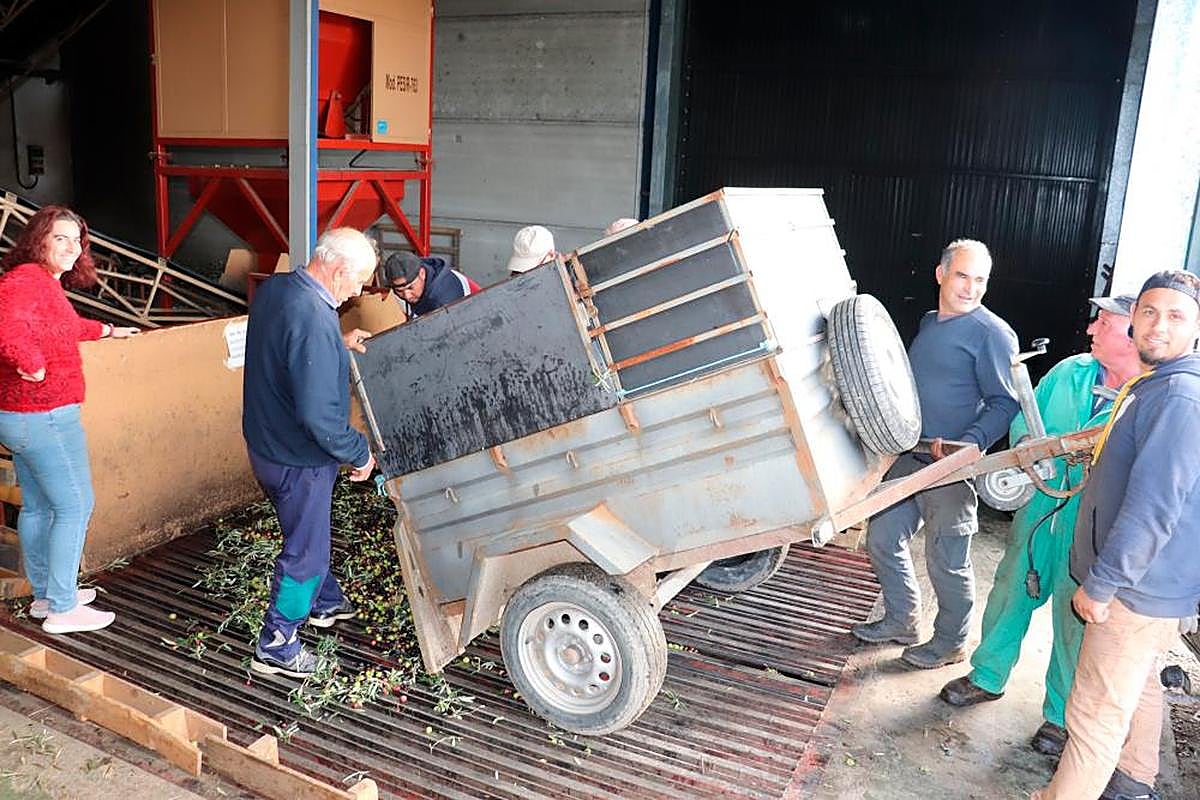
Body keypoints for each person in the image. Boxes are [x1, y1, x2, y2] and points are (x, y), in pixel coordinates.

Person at [939, 294, 1142, 758]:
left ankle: (1057, 715)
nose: (1091, 329)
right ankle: (987, 675)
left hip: (1090, 526)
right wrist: (1030, 447)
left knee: (1074, 620)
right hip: (1037, 509)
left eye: (1103, 323)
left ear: (1130, 335)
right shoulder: (1069, 372)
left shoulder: (1144, 397)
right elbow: (1020, 429)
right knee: (1012, 590)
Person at [1032, 270, 1200, 800]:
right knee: (1139, 682)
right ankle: (1132, 780)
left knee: (1094, 714)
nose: (1157, 325)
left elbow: (1153, 508)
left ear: (1196, 328)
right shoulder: (1158, 386)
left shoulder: (1178, 398)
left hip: (1134, 588)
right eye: (1149, 312)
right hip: (1156, 584)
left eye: (1176, 316)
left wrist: (1103, 583)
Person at [852, 239, 1020, 669]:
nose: (971, 288)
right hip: (911, 452)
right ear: (941, 274)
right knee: (883, 538)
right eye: (962, 276)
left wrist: (970, 443)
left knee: (947, 558)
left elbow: (1006, 402)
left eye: (980, 279)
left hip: (951, 465)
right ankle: (902, 620)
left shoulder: (992, 334)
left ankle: (950, 642)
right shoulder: (931, 323)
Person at [242, 227, 378, 679]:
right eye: (358, 281)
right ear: (338, 269)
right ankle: (277, 642)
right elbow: (320, 419)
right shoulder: (315, 320)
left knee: (306, 532)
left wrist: (335, 347)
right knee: (307, 554)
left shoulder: (279, 288)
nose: (358, 292)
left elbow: (285, 350)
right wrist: (358, 453)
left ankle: (324, 601)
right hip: (298, 458)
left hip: (265, 443)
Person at [0, 206, 138, 635]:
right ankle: (62, 607)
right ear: (37, 239)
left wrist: (107, 331)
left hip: (21, 416)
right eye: (59, 237)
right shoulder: (25, 281)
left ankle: (46, 595)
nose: (71, 247)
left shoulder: (40, 283)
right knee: (76, 505)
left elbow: (63, 327)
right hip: (44, 415)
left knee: (41, 506)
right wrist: (31, 364)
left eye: (76, 240)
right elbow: (6, 327)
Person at [378, 251, 479, 318]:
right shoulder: (424, 268)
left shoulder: (440, 302)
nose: (407, 296)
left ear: (422, 273)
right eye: (399, 291)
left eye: (410, 288)